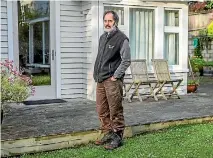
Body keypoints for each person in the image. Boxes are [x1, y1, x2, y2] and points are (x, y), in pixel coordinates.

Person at [93, 10, 131, 150]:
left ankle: (117, 137)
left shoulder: (122, 39)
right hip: (100, 79)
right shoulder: (103, 37)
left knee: (115, 109)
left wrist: (115, 76)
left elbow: (126, 60)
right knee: (102, 109)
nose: (107, 23)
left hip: (112, 80)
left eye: (110, 21)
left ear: (115, 21)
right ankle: (108, 133)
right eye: (105, 21)